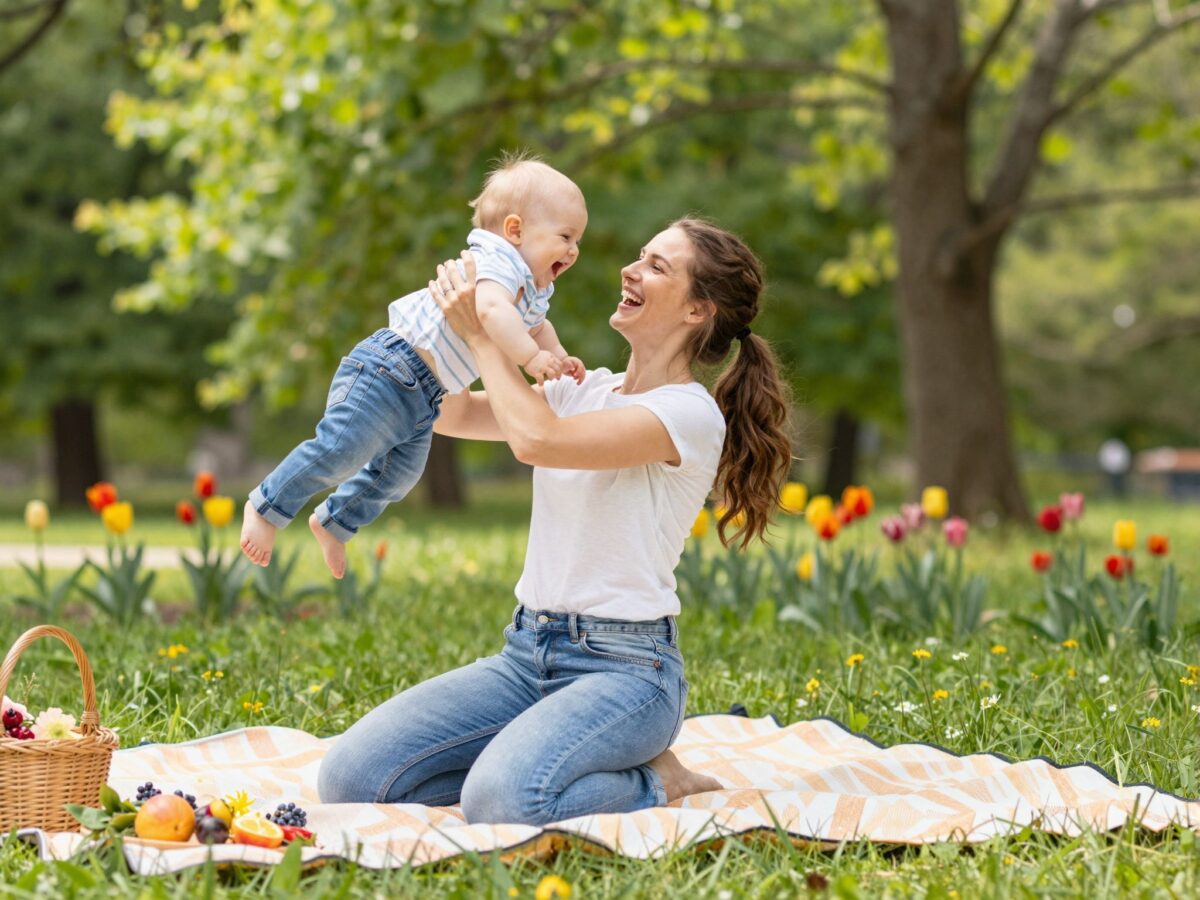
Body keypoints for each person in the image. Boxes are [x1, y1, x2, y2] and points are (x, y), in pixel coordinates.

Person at [317, 218, 793, 825]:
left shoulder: (687, 415)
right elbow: (452, 411)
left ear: (698, 310)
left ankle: (655, 778)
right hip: (525, 655)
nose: (631, 268)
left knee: (502, 801)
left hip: (626, 673)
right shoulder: (583, 388)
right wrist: (421, 337)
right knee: (350, 779)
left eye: (657, 266)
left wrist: (486, 336)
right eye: (639, 254)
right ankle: (536, 755)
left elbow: (536, 440)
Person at [240, 157, 588, 578]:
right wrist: (532, 359)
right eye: (566, 237)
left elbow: (537, 327)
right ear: (515, 230)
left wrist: (556, 357)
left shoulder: (533, 289)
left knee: (398, 476)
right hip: (389, 369)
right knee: (340, 449)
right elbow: (493, 313)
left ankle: (335, 521)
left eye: (578, 241)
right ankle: (266, 505)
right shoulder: (498, 264)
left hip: (425, 393)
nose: (573, 251)